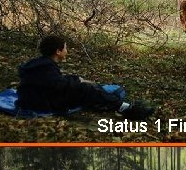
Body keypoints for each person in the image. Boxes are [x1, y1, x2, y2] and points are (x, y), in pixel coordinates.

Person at [16, 35, 155, 119]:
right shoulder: (45, 67)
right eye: (65, 48)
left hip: (36, 99)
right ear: (58, 51)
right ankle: (126, 108)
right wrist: (80, 82)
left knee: (85, 86)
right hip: (42, 104)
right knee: (88, 89)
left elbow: (54, 82)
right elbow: (58, 85)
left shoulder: (39, 64)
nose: (66, 51)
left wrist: (76, 79)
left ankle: (113, 103)